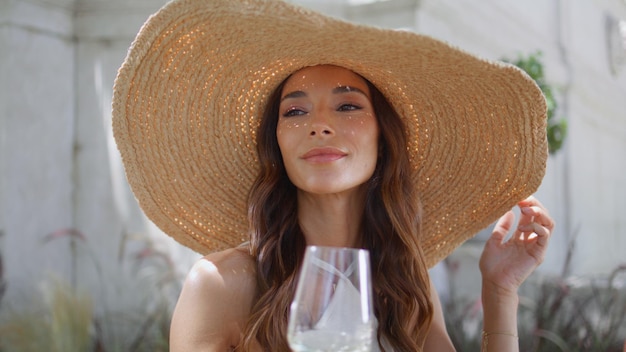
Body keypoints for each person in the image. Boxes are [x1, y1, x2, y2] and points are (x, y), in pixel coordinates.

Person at [112, 0, 554, 351]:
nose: (318, 125)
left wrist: (499, 291)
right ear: (278, 144)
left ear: (385, 140)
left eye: (348, 106)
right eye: (296, 111)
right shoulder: (222, 284)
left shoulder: (404, 283)